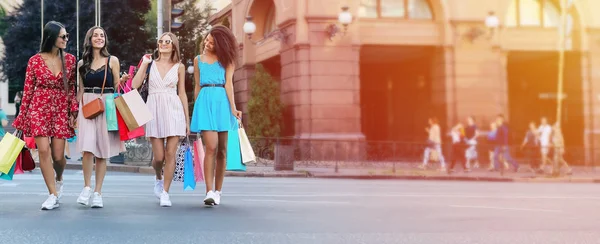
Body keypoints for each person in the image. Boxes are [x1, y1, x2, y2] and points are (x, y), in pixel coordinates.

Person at [12, 21, 78, 210]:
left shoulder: (70, 60)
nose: (66, 39)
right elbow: (28, 90)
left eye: (66, 36)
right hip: (38, 107)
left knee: (58, 156)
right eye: (62, 36)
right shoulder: (34, 61)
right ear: (51, 37)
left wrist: (73, 110)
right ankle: (52, 194)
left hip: (59, 108)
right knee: (43, 151)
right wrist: (21, 118)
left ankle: (59, 177)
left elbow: (72, 88)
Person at [131, 32, 189, 207]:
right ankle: (158, 177)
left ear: (173, 46)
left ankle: (165, 192)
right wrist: (144, 64)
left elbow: (182, 93)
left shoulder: (180, 67)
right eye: (161, 41)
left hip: (174, 110)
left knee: (171, 153)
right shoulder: (150, 63)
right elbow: (134, 85)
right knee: (159, 157)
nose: (163, 44)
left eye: (167, 41)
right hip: (154, 109)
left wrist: (187, 121)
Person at [76, 26, 128, 208]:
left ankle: (98, 192)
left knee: (102, 151)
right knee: (88, 148)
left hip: (106, 104)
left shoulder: (112, 60)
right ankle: (87, 188)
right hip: (88, 105)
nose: (99, 38)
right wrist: (74, 111)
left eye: (102, 35)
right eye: (95, 35)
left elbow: (115, 87)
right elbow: (80, 89)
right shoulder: (81, 63)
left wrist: (121, 81)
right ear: (89, 39)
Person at [190, 25, 242, 206]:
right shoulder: (198, 60)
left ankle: (218, 191)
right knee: (211, 147)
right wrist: (196, 108)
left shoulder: (227, 61)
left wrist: (234, 109)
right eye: (206, 40)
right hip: (205, 101)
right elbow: (197, 85)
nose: (207, 43)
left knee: (222, 150)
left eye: (211, 42)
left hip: (222, 102)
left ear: (219, 44)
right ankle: (209, 191)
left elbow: (229, 85)